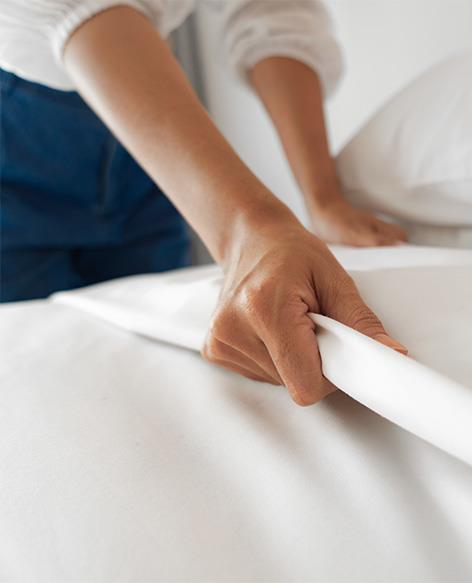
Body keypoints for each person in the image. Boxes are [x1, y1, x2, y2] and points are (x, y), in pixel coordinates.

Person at [0, 1, 408, 405]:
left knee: (148, 369)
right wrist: (249, 230)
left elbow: (271, 10)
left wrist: (323, 197)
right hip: (18, 140)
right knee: (34, 378)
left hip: (145, 147)